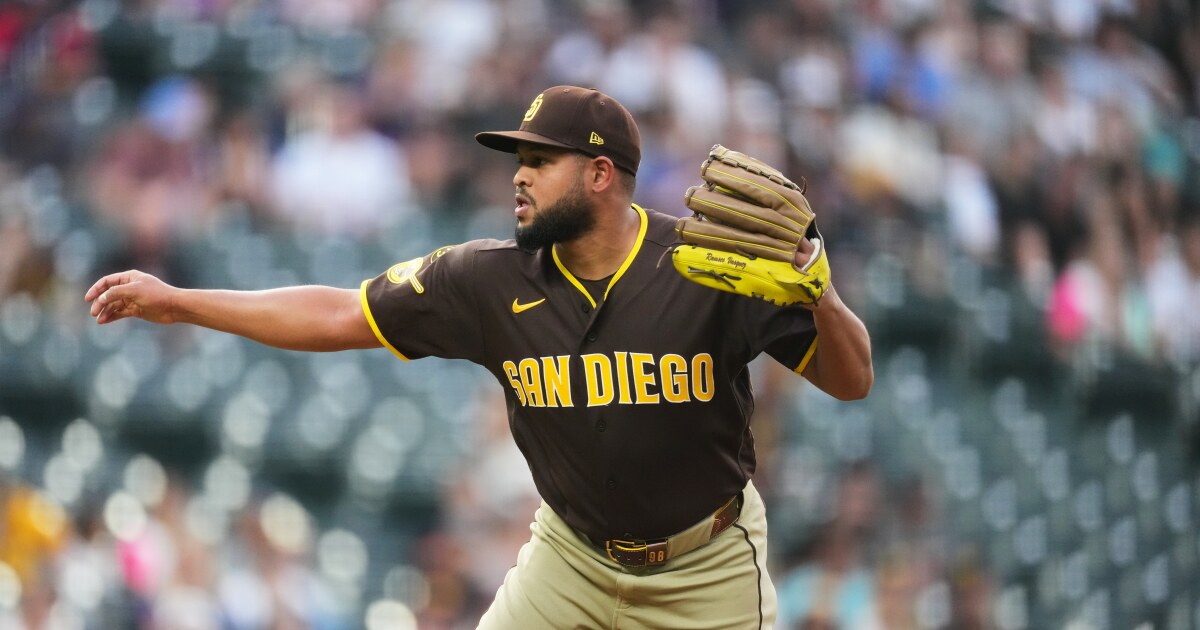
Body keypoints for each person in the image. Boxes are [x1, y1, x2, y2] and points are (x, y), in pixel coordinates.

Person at [86, 85, 873, 629]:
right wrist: (179, 301)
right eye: (516, 159)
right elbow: (337, 312)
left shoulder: (706, 266)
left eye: (540, 160)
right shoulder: (489, 279)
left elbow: (852, 379)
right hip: (572, 554)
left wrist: (819, 296)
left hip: (704, 569)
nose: (519, 176)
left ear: (601, 175)